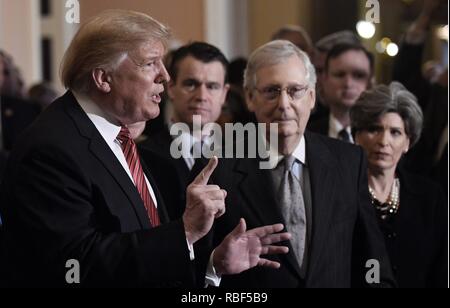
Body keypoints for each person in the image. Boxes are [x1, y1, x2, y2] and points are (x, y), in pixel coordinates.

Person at [0, 10, 291, 287]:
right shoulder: (52, 148)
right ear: (103, 78)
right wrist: (185, 232)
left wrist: (212, 264)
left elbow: (140, 247)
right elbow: (74, 266)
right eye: (151, 63)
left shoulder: (117, 137)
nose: (164, 76)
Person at [210, 40, 395, 288]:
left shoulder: (349, 162)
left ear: (311, 97)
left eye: (295, 91)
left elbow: (372, 259)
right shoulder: (218, 167)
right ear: (250, 98)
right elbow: (193, 268)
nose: (284, 105)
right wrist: (215, 264)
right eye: (271, 91)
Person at [350, 82, 447, 288]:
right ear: (356, 136)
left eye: (395, 132)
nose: (383, 141)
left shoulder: (430, 197)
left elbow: (440, 271)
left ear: (407, 143)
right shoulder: (341, 193)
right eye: (374, 129)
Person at [140, 42, 230, 220]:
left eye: (212, 86)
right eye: (191, 84)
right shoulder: (142, 156)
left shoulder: (244, 154)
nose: (202, 96)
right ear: (171, 88)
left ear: (224, 94)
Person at [308, 43, 373, 143]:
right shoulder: (306, 132)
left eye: (359, 75)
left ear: (370, 83)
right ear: (324, 79)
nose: (348, 84)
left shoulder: (382, 136)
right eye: (340, 75)